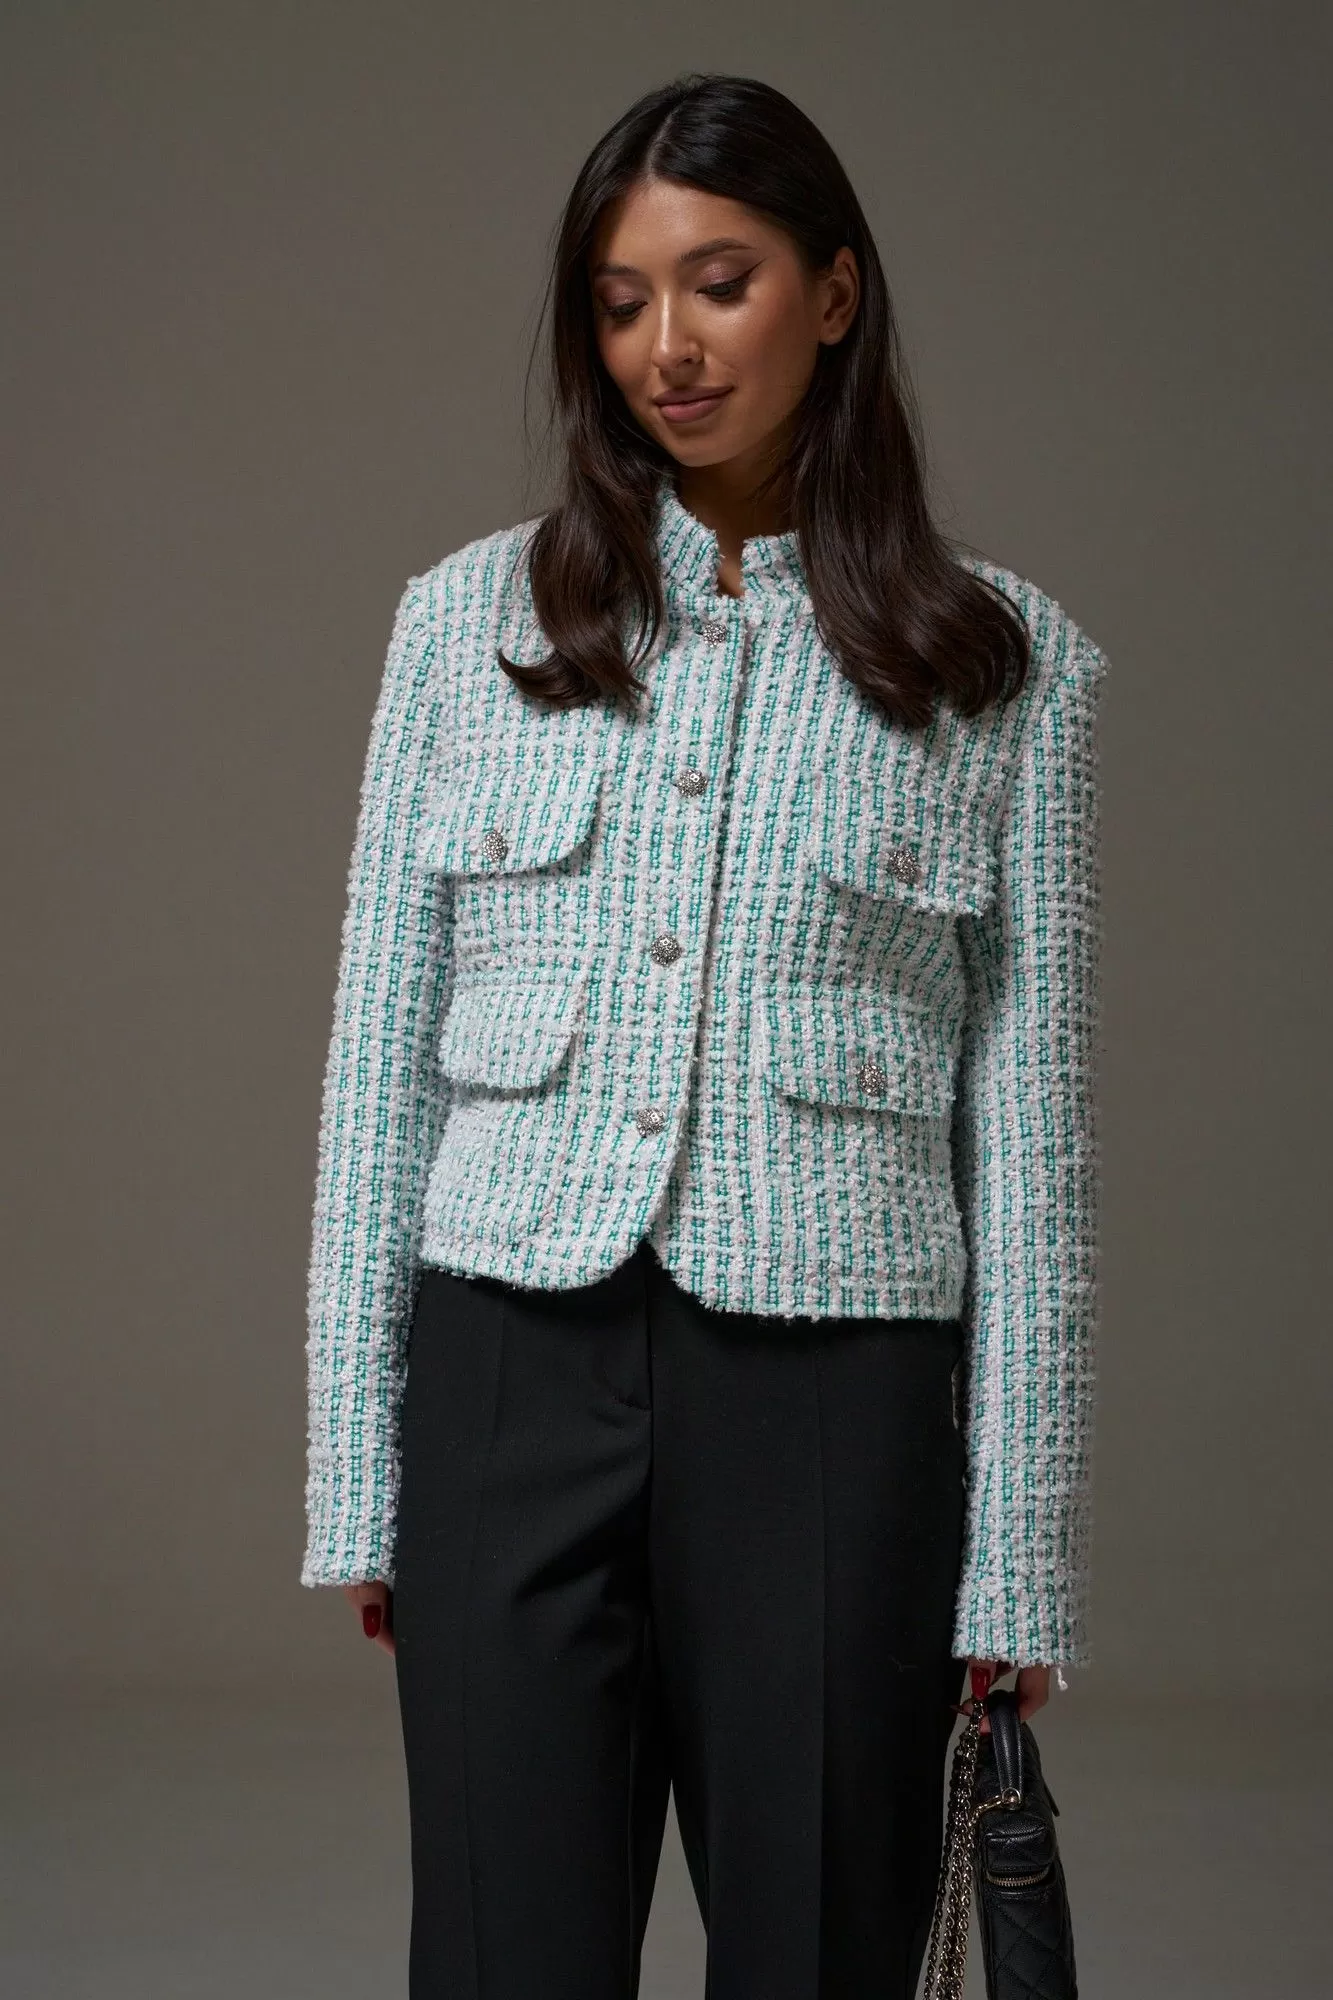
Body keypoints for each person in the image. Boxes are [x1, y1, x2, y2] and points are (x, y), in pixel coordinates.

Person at [300, 69, 1109, 2000]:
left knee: (823, 1957)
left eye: (719, 283)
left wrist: (1019, 1548)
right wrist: (358, 1466)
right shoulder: (464, 626)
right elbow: (377, 1065)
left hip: (835, 1407)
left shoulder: (1006, 669)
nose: (666, 343)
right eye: (620, 300)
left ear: (833, 293)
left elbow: (1035, 1142)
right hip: (510, 1384)